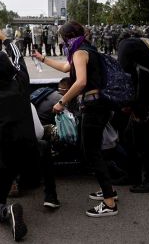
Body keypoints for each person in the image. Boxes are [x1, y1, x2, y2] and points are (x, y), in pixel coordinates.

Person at [0, 25, 59, 242]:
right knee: (44, 147)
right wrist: (3, 37)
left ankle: (6, 211)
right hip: (30, 154)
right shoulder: (21, 86)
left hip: (4, 160)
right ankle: (51, 196)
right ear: (10, 72)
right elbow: (18, 56)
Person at [33, 21, 118, 217]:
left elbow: (80, 82)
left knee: (92, 153)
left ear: (67, 38)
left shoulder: (80, 52)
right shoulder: (86, 48)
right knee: (94, 151)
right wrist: (42, 58)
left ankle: (109, 203)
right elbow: (66, 68)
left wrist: (62, 102)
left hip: (94, 107)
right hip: (101, 105)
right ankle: (109, 191)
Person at [117, 35, 149, 193]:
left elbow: (125, 77)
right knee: (131, 138)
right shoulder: (147, 46)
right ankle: (133, 175)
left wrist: (127, 103)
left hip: (146, 103)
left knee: (144, 143)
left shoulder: (126, 46)